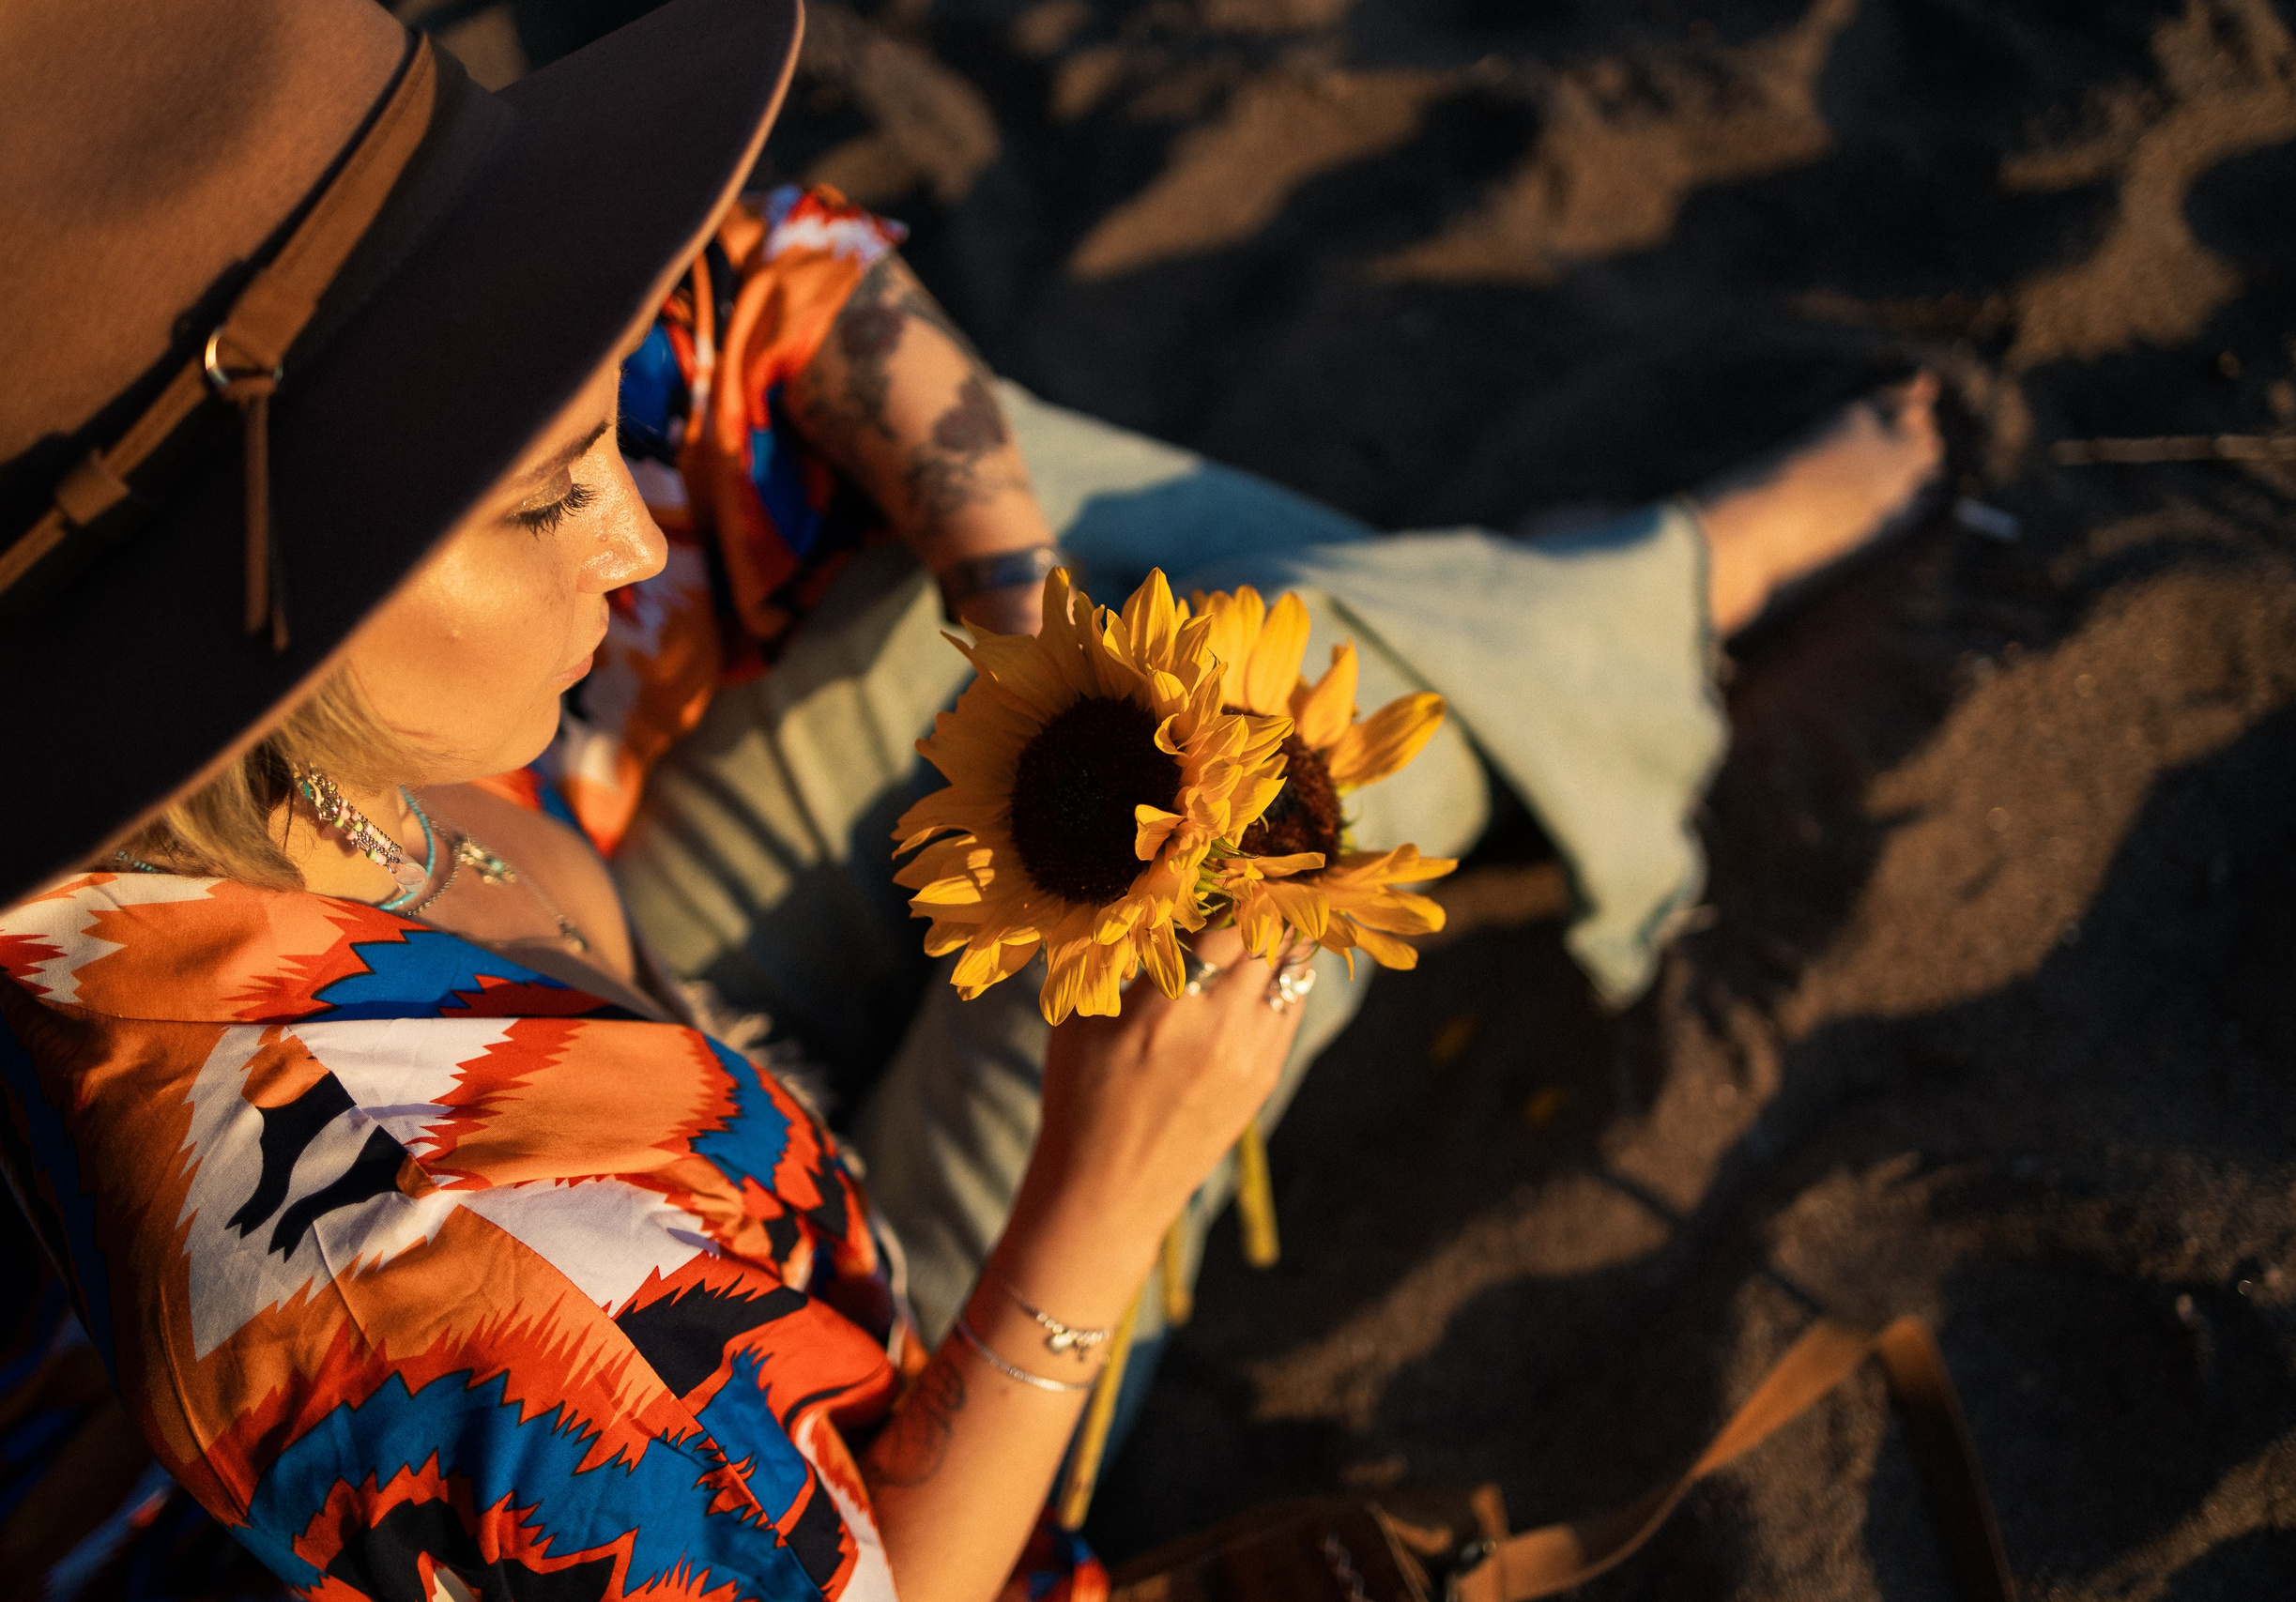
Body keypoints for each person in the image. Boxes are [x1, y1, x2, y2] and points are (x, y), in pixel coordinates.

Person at [0, 2, 1941, 1600]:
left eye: (589, 428)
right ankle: (1667, 587)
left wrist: (1027, 623)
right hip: (896, 1394)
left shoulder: (255, 697)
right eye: (531, 497)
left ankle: (1611, 607)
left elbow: (770, 285)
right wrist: (1103, 1194)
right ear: (238, 637)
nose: (626, 516)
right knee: (1320, 742)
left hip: (681, 1014)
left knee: (1099, 555)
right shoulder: (402, 1283)